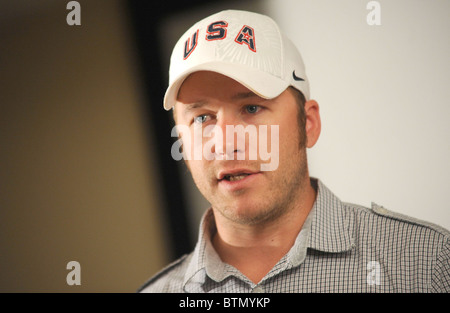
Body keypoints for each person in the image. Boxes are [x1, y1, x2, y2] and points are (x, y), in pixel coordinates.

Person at [139, 10, 449, 292]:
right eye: (202, 118)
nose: (226, 142)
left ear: (308, 124)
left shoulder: (426, 264)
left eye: (251, 107)